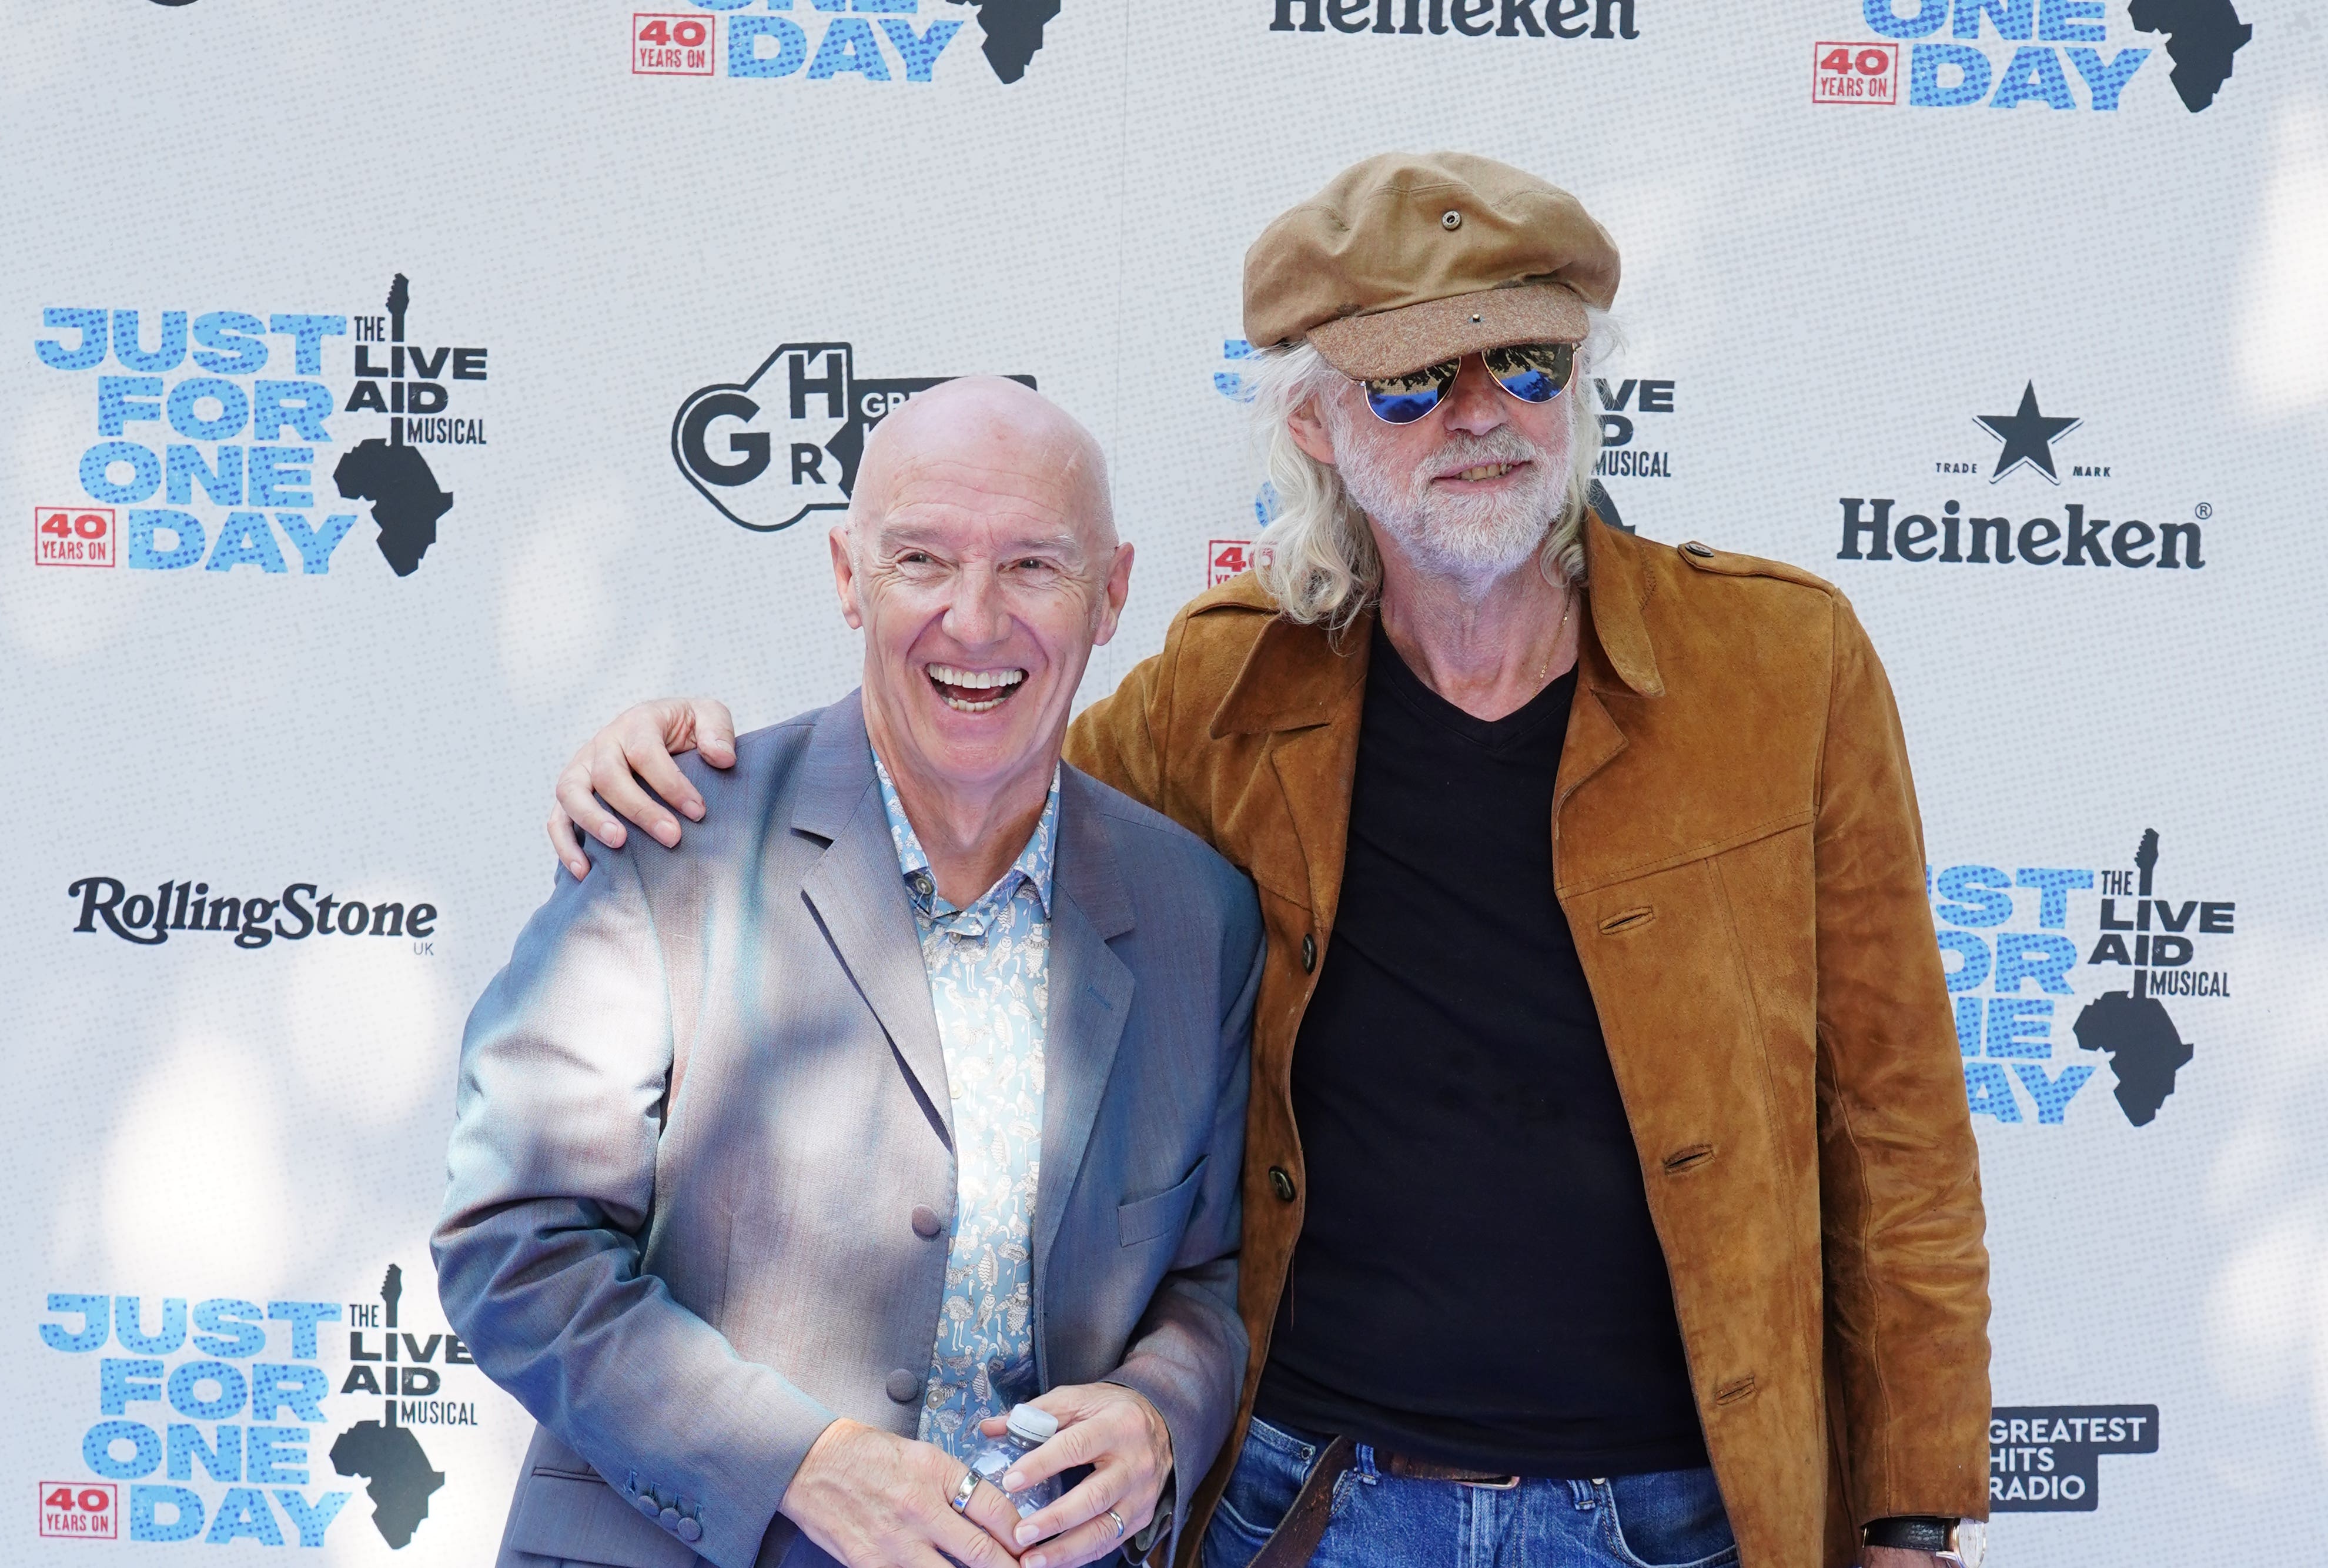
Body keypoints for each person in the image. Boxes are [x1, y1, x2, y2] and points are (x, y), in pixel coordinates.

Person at [543, 153, 1993, 1568]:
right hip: (1311, 1502)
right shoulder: (1221, 693)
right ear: (1313, 421)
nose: (1477, 414)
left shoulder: (1782, 665)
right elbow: (964, 796)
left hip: (1682, 1514)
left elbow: (1896, 1121)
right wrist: (690, 765)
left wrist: (1909, 1520)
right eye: (1409, 381)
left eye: (1525, 363)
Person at [434, 377, 1262, 1568]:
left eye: (1033, 565)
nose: (974, 620)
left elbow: (1206, 1278)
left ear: (1113, 592)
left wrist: (1159, 1413)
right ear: (845, 574)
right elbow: (514, 1236)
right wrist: (800, 1463)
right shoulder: (672, 838)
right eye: (921, 559)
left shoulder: (1198, 913)